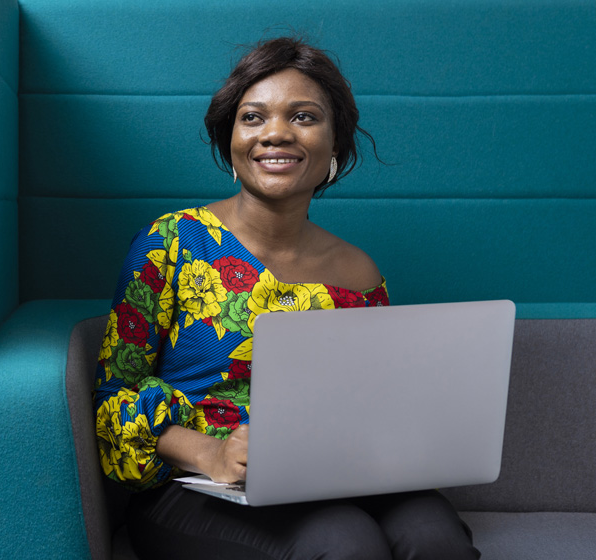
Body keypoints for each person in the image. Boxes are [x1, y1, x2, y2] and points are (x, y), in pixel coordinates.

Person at [94, 36, 480, 560]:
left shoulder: (359, 271)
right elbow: (113, 395)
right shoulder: (172, 243)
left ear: (335, 144)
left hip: (327, 477)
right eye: (253, 118)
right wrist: (212, 454)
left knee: (433, 535)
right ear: (228, 138)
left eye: (303, 117)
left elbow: (372, 404)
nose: (275, 133)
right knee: (344, 542)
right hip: (196, 485)